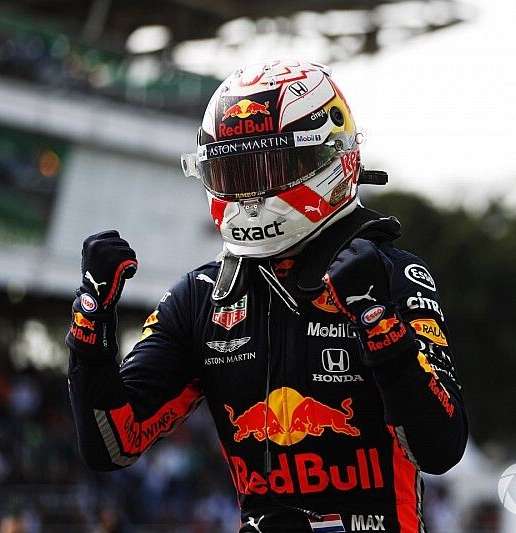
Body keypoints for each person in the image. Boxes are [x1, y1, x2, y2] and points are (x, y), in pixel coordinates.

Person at [67, 59, 468, 533]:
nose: (250, 193)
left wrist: (379, 323)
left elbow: (440, 448)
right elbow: (111, 446)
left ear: (329, 157)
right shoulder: (200, 297)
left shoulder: (394, 274)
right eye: (235, 172)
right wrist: (91, 323)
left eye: (269, 166)